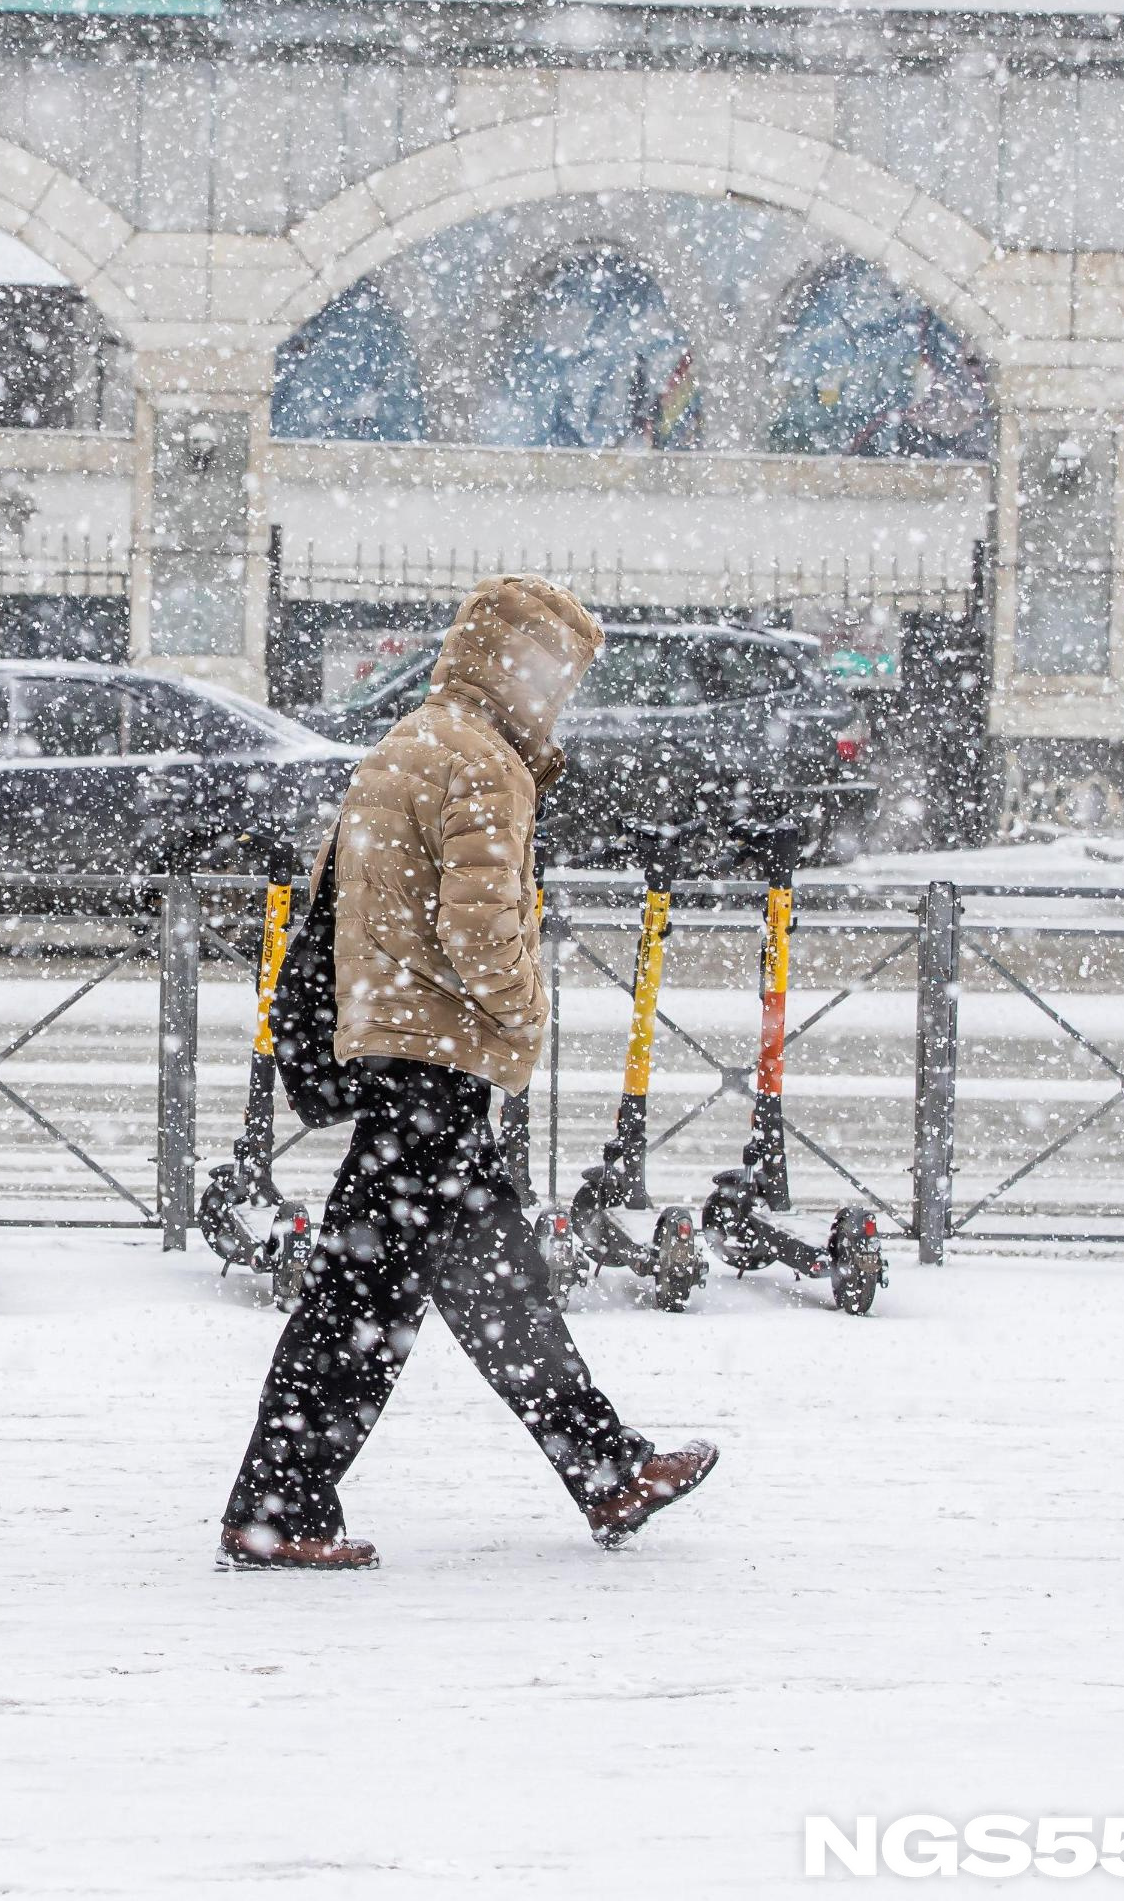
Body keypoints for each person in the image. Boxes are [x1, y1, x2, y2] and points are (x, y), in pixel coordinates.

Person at [220, 576, 718, 1569]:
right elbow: (480, 925)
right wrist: (529, 1011)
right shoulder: (484, 763)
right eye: (559, 676)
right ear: (522, 668)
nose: (561, 698)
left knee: (475, 1290)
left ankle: (605, 1470)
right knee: (366, 1302)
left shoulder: (412, 740)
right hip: (434, 1060)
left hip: (403, 1050)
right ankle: (278, 1506)